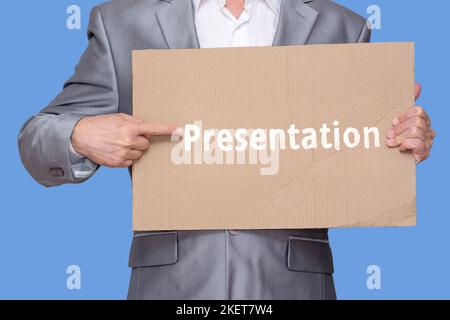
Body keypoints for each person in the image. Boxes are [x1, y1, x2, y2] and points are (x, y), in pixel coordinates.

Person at [18, 0, 435, 300]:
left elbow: (352, 146)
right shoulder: (121, 22)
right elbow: (36, 137)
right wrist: (80, 134)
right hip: (172, 287)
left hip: (293, 286)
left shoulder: (343, 27)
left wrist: (402, 141)